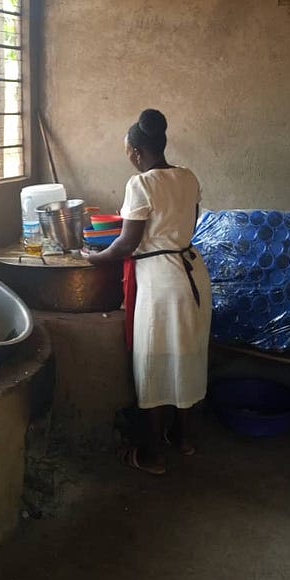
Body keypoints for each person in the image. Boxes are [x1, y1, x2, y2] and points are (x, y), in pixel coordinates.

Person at [85, 109, 212, 475]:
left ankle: (152, 455)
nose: (128, 158)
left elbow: (127, 244)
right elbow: (188, 219)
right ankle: (183, 439)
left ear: (138, 153)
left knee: (154, 361)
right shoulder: (188, 177)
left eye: (128, 152)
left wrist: (95, 258)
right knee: (189, 355)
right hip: (192, 274)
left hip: (161, 281)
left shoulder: (140, 185)